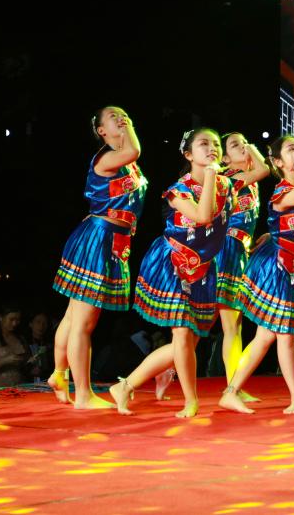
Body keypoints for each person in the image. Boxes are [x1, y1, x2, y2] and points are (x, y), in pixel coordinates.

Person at [111, 128, 231, 418]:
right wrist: (212, 176)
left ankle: (125, 386)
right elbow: (202, 216)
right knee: (182, 334)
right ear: (188, 154)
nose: (212, 148)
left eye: (216, 144)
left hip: (204, 267)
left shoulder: (225, 184)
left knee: (188, 342)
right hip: (174, 262)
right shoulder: (178, 190)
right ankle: (191, 400)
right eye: (204, 144)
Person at [51, 106, 146, 408]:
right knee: (83, 321)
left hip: (113, 239)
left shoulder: (126, 163)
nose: (121, 118)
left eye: (124, 114)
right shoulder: (108, 158)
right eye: (113, 117)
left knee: (73, 315)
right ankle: (83, 394)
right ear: (101, 131)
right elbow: (134, 150)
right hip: (99, 239)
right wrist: (128, 127)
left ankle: (59, 374)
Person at [219, 135, 294, 415]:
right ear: (278, 162)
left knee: (265, 336)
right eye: (291, 150)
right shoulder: (282, 193)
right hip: (278, 268)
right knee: (285, 335)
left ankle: (231, 391)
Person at [214, 131, 270, 401]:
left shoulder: (246, 181)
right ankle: (232, 387)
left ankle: (233, 386)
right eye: (236, 145)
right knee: (230, 326)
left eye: (245, 141)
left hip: (238, 250)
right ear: (225, 159)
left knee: (228, 326)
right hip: (226, 251)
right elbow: (264, 168)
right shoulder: (231, 177)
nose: (244, 146)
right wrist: (253, 150)